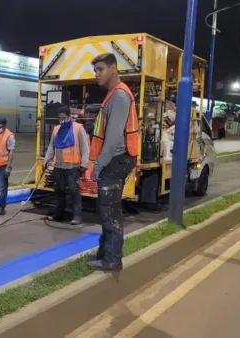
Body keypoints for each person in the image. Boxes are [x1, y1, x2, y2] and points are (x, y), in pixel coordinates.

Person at [86, 53, 140, 272]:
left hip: (116, 160)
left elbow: (114, 137)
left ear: (113, 69)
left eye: (100, 69)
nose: (97, 74)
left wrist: (98, 165)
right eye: (95, 70)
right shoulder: (114, 94)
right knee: (106, 210)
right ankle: (104, 253)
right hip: (116, 159)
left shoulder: (118, 95)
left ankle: (112, 260)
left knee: (110, 212)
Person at [44, 105, 90, 225]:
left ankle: (77, 216)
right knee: (59, 191)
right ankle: (58, 214)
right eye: (60, 118)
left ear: (69, 116)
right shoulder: (56, 129)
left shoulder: (78, 128)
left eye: (64, 117)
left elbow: (85, 147)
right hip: (59, 166)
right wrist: (46, 160)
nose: (62, 120)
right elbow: (51, 147)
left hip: (73, 167)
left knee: (74, 192)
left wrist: (85, 164)